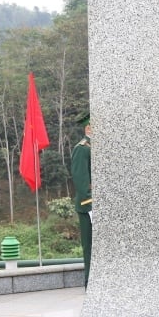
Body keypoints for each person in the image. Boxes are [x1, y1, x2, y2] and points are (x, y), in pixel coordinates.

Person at [71, 111, 92, 288]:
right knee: (90, 246)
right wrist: (90, 203)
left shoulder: (94, 147)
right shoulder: (82, 148)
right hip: (88, 207)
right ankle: (89, 281)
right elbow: (80, 179)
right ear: (88, 127)